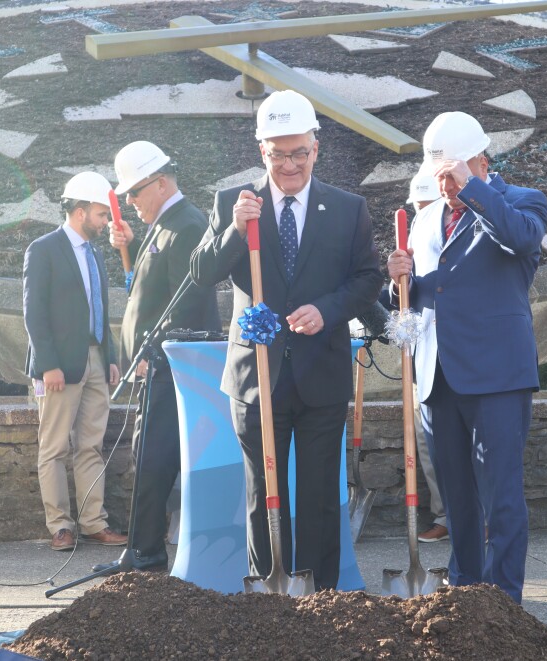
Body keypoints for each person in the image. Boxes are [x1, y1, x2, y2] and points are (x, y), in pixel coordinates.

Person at [190, 90, 382, 590]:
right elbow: (202, 272)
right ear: (262, 152)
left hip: (321, 372)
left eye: (299, 152)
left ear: (316, 148)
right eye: (279, 154)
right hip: (257, 376)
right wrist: (235, 229)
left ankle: (320, 597)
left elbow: (367, 280)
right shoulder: (234, 203)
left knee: (319, 491)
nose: (290, 164)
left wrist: (327, 309)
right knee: (263, 491)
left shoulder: (346, 209)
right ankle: (270, 592)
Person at [387, 112, 547, 603]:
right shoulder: (428, 216)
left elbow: (519, 239)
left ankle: (504, 602)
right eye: (438, 174)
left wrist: (473, 190)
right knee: (457, 501)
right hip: (438, 377)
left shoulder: (522, 201)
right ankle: (465, 597)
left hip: (498, 375)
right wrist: (397, 281)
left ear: (482, 159)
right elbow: (427, 293)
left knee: (500, 497)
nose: (445, 184)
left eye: (452, 172)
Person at [94, 141, 221, 573]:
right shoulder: (168, 222)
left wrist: (157, 352)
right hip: (159, 365)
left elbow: (186, 303)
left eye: (135, 191)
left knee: (153, 457)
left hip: (169, 366)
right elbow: (153, 288)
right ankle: (142, 547)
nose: (129, 201)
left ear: (162, 183)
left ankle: (145, 551)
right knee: (147, 454)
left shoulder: (186, 225)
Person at [23, 172, 127, 552]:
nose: (106, 222)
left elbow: (101, 307)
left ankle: (93, 523)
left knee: (91, 446)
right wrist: (48, 364)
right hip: (59, 367)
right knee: (53, 448)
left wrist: (111, 357)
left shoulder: (95, 252)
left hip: (97, 362)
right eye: (101, 214)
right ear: (80, 211)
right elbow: (34, 313)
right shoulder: (44, 248)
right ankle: (61, 527)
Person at [407, 167, 449, 544]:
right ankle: (444, 515)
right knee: (427, 442)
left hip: (457, 356)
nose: (422, 214)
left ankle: (476, 517)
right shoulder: (414, 232)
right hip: (423, 356)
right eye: (416, 207)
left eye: (426, 206)